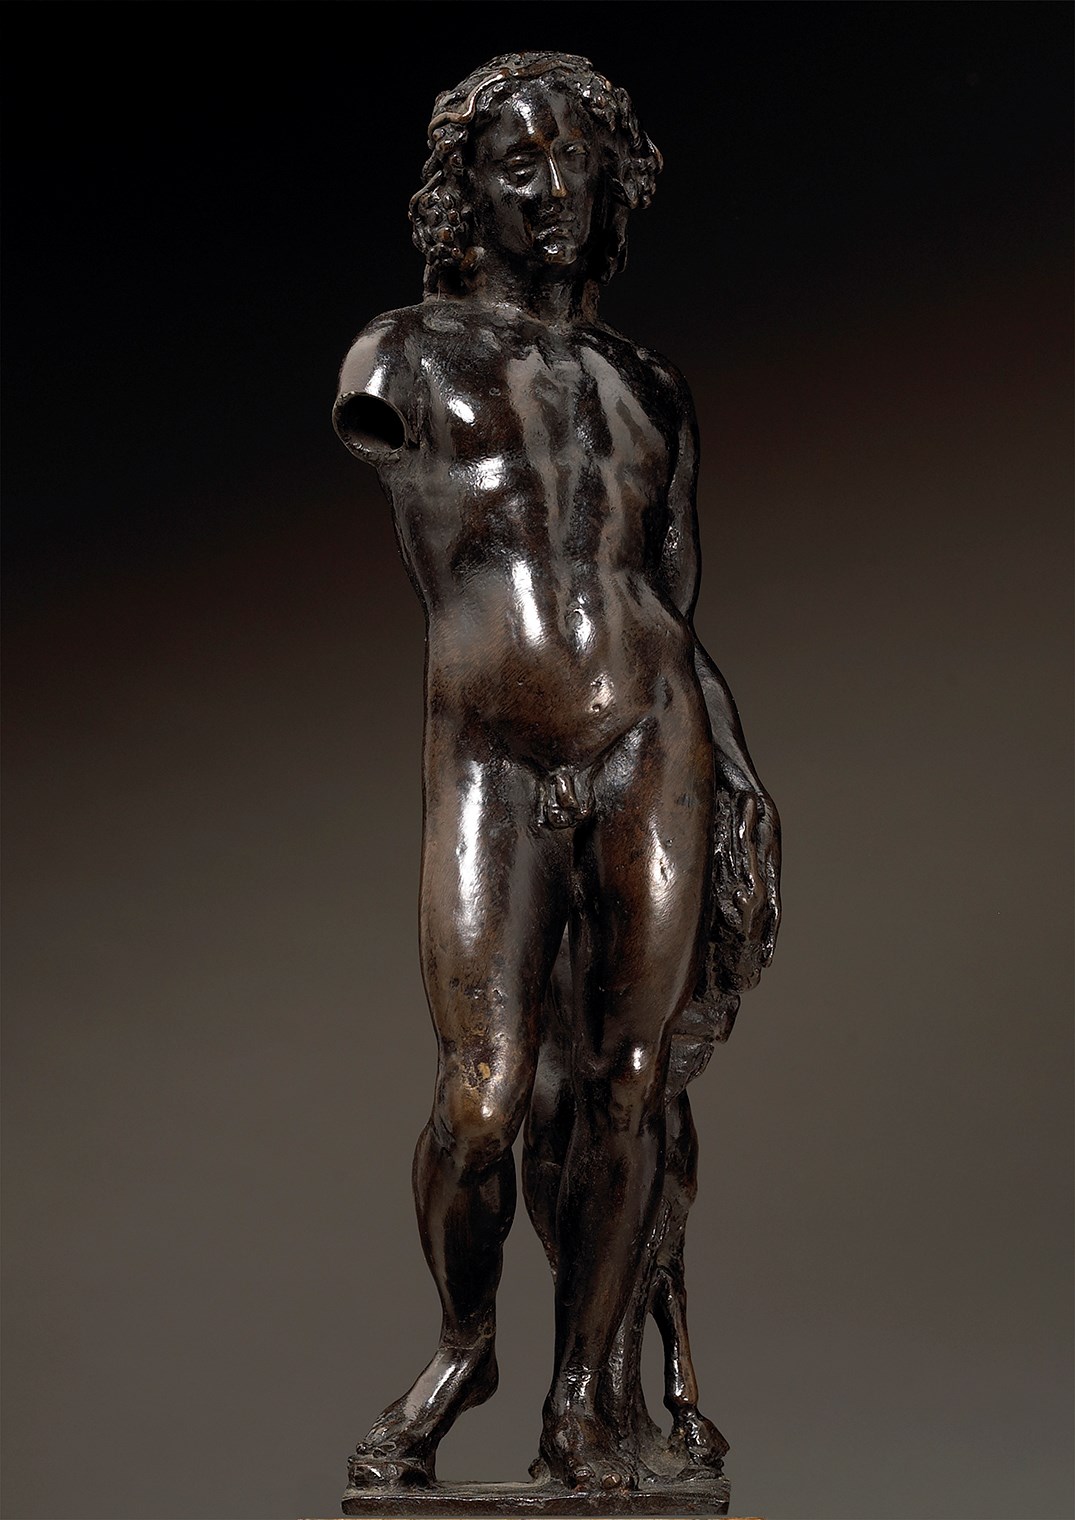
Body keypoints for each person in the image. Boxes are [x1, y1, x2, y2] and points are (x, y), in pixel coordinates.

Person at [333, 51, 779, 1495]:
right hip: (493, 748)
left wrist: (741, 776)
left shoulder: (653, 385)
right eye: (518, 163)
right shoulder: (401, 358)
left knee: (630, 1084)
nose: (554, 189)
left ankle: (583, 1402)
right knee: (485, 1096)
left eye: (576, 159)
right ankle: (466, 1343)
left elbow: (675, 599)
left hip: (656, 734)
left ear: (612, 181)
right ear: (465, 191)